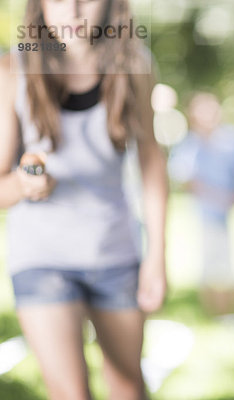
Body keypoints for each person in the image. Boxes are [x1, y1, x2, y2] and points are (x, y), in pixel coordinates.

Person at [0, 1, 168, 399]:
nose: (73, 12)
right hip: (42, 259)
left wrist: (157, 258)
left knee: (129, 388)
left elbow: (151, 162)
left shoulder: (134, 63)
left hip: (115, 253)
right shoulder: (12, 71)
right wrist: (26, 185)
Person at [168, 92, 234, 315]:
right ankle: (213, 314)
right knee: (207, 266)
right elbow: (187, 181)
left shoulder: (233, 139)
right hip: (203, 214)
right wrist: (219, 197)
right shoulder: (189, 144)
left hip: (231, 212)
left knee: (232, 266)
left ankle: (231, 313)